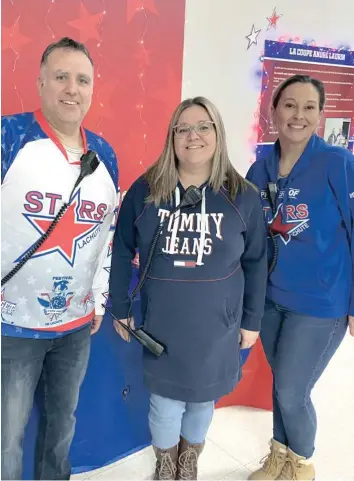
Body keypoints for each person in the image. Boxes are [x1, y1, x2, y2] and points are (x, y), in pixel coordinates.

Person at [109, 96, 268, 480]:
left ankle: (188, 462)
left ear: (218, 133)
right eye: (183, 128)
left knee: (202, 402)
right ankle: (166, 465)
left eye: (203, 127)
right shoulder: (145, 190)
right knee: (164, 405)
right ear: (171, 137)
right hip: (163, 325)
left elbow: (256, 260)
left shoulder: (242, 196)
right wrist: (120, 305)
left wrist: (252, 320)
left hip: (218, 329)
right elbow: (121, 250)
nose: (192, 136)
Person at [1, 37, 119, 480]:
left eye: (82, 79)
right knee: (5, 437)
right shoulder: (8, 136)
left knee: (61, 428)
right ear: (41, 82)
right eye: (62, 76)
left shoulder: (104, 154)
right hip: (11, 326)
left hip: (74, 329)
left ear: (92, 88)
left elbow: (105, 235)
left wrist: (100, 297)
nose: (73, 88)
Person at [246, 74, 354, 481]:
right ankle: (279, 456)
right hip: (273, 300)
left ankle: (301, 465)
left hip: (320, 305)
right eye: (289, 104)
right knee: (281, 386)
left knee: (293, 391)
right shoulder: (261, 167)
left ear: (321, 115)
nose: (298, 115)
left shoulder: (338, 164)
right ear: (274, 110)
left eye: (309, 107)